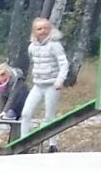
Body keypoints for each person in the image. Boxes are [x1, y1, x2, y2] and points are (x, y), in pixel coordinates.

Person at [20, 17, 69, 145]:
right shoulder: (32, 47)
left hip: (52, 85)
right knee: (26, 113)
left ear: (50, 29)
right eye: (39, 29)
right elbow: (34, 64)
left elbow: (64, 64)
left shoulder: (55, 45)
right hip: (38, 85)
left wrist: (60, 80)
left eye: (46, 28)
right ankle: (23, 141)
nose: (43, 31)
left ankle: (53, 144)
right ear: (34, 31)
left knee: (49, 116)